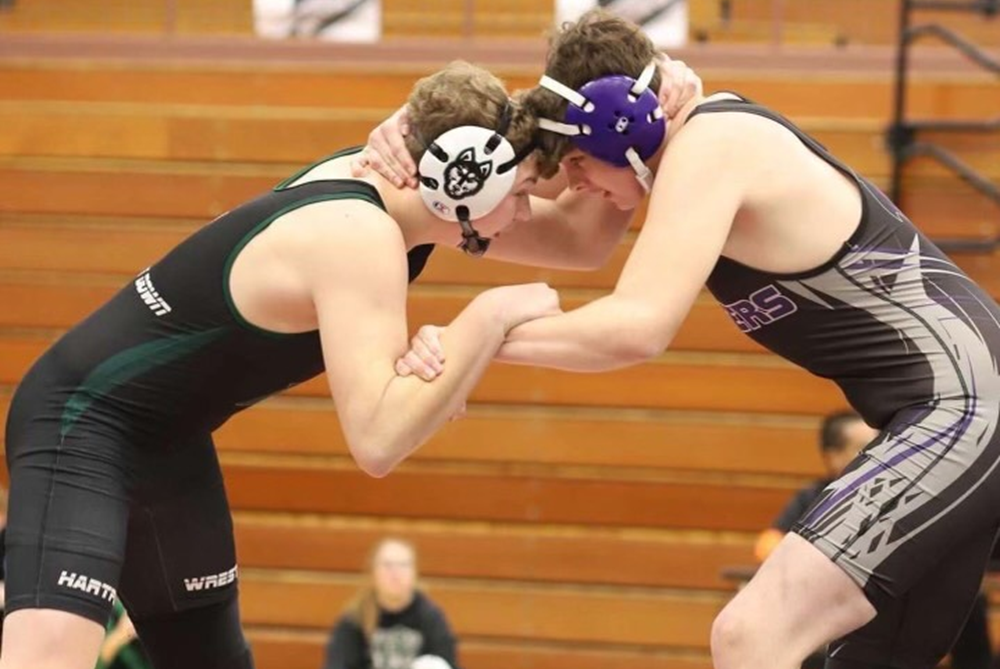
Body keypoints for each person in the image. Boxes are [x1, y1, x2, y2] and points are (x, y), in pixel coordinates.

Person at [383, 10, 1000, 669]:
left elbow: (637, 326)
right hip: (955, 415)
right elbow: (574, 236)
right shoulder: (679, 148)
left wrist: (476, 340)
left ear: (629, 125)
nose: (576, 184)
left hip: (964, 410)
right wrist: (414, 161)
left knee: (750, 637)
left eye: (581, 164)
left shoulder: (712, 146)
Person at [0, 60, 564, 669]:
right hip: (78, 424)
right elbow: (377, 439)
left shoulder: (383, 200)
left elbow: (585, 242)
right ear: (462, 182)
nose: (528, 215)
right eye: (524, 193)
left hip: (167, 441)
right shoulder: (360, 234)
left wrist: (425, 355)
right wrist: (487, 317)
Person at [754, 412, 876, 562]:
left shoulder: (890, 494)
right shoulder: (813, 496)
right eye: (864, 448)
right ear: (834, 456)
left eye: (878, 445)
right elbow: (769, 543)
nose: (875, 454)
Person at [324, 538, 458, 669]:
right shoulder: (355, 618)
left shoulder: (431, 617)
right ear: (373, 572)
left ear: (414, 572)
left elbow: (447, 663)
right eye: (387, 565)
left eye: (403, 565)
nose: (395, 573)